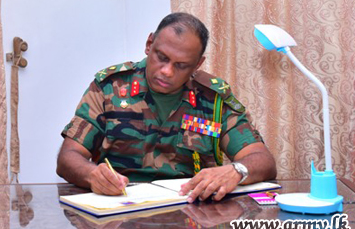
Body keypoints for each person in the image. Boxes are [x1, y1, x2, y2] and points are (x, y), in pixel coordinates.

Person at [57, 12, 276, 202]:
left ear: (197, 64)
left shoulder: (213, 99)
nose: (167, 71)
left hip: (191, 213)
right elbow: (68, 157)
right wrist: (92, 175)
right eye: (162, 58)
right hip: (120, 209)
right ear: (149, 44)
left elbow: (263, 160)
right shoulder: (109, 89)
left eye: (181, 65)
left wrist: (236, 170)